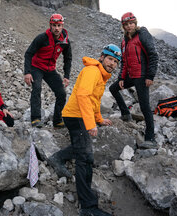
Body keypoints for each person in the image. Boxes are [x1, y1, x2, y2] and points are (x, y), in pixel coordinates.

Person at [48, 44, 121, 216]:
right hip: (76, 116)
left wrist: (99, 119)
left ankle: (57, 158)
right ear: (102, 57)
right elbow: (82, 95)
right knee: (85, 157)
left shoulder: (101, 76)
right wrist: (90, 124)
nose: (112, 64)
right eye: (110, 59)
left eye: (116, 62)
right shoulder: (92, 71)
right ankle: (88, 208)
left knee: (81, 147)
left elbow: (94, 101)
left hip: (77, 115)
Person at [109, 12, 159, 147]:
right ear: (123, 26)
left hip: (142, 77)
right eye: (126, 24)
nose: (129, 26)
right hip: (131, 76)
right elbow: (124, 61)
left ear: (135, 23)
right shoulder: (125, 40)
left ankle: (150, 138)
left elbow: (153, 55)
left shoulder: (142, 34)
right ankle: (125, 114)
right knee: (113, 88)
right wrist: (121, 77)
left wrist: (150, 76)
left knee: (144, 107)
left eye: (131, 23)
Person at [24, 13, 72, 128]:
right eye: (54, 25)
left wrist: (66, 76)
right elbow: (28, 53)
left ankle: (57, 120)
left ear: (62, 26)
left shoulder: (65, 41)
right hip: (37, 67)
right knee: (37, 88)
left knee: (61, 93)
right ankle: (35, 118)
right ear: (50, 25)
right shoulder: (42, 38)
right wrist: (27, 72)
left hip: (50, 69)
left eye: (59, 25)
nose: (56, 28)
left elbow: (68, 59)